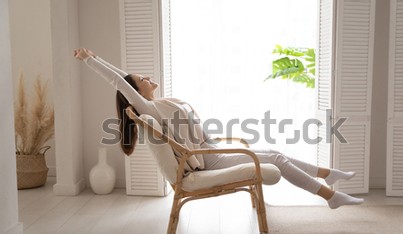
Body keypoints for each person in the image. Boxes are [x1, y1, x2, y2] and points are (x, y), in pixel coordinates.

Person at [74, 48, 364, 209]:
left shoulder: (163, 101)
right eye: (142, 78)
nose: (148, 77)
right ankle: (330, 196)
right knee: (275, 158)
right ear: (136, 91)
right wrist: (91, 59)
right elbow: (118, 82)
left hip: (211, 147)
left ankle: (328, 176)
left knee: (275, 152)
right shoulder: (149, 108)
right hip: (208, 158)